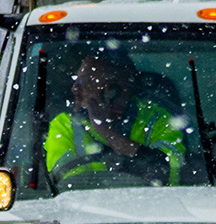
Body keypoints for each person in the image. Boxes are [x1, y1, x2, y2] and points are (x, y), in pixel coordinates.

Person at [44, 53, 187, 187]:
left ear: (114, 91)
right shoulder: (64, 125)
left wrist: (107, 132)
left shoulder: (159, 120)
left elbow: (169, 177)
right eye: (76, 81)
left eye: (84, 82)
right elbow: (67, 186)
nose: (75, 89)